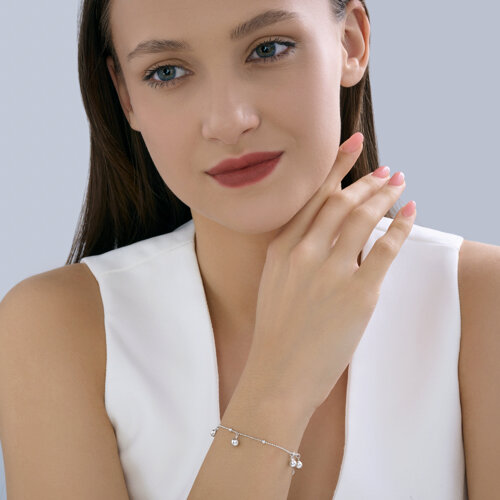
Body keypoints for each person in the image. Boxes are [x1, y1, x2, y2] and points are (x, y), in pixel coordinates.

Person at [0, 0, 498, 498]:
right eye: (166, 71)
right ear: (125, 96)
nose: (228, 121)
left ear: (351, 42)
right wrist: (280, 381)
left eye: (269, 49)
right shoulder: (57, 327)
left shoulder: (481, 303)